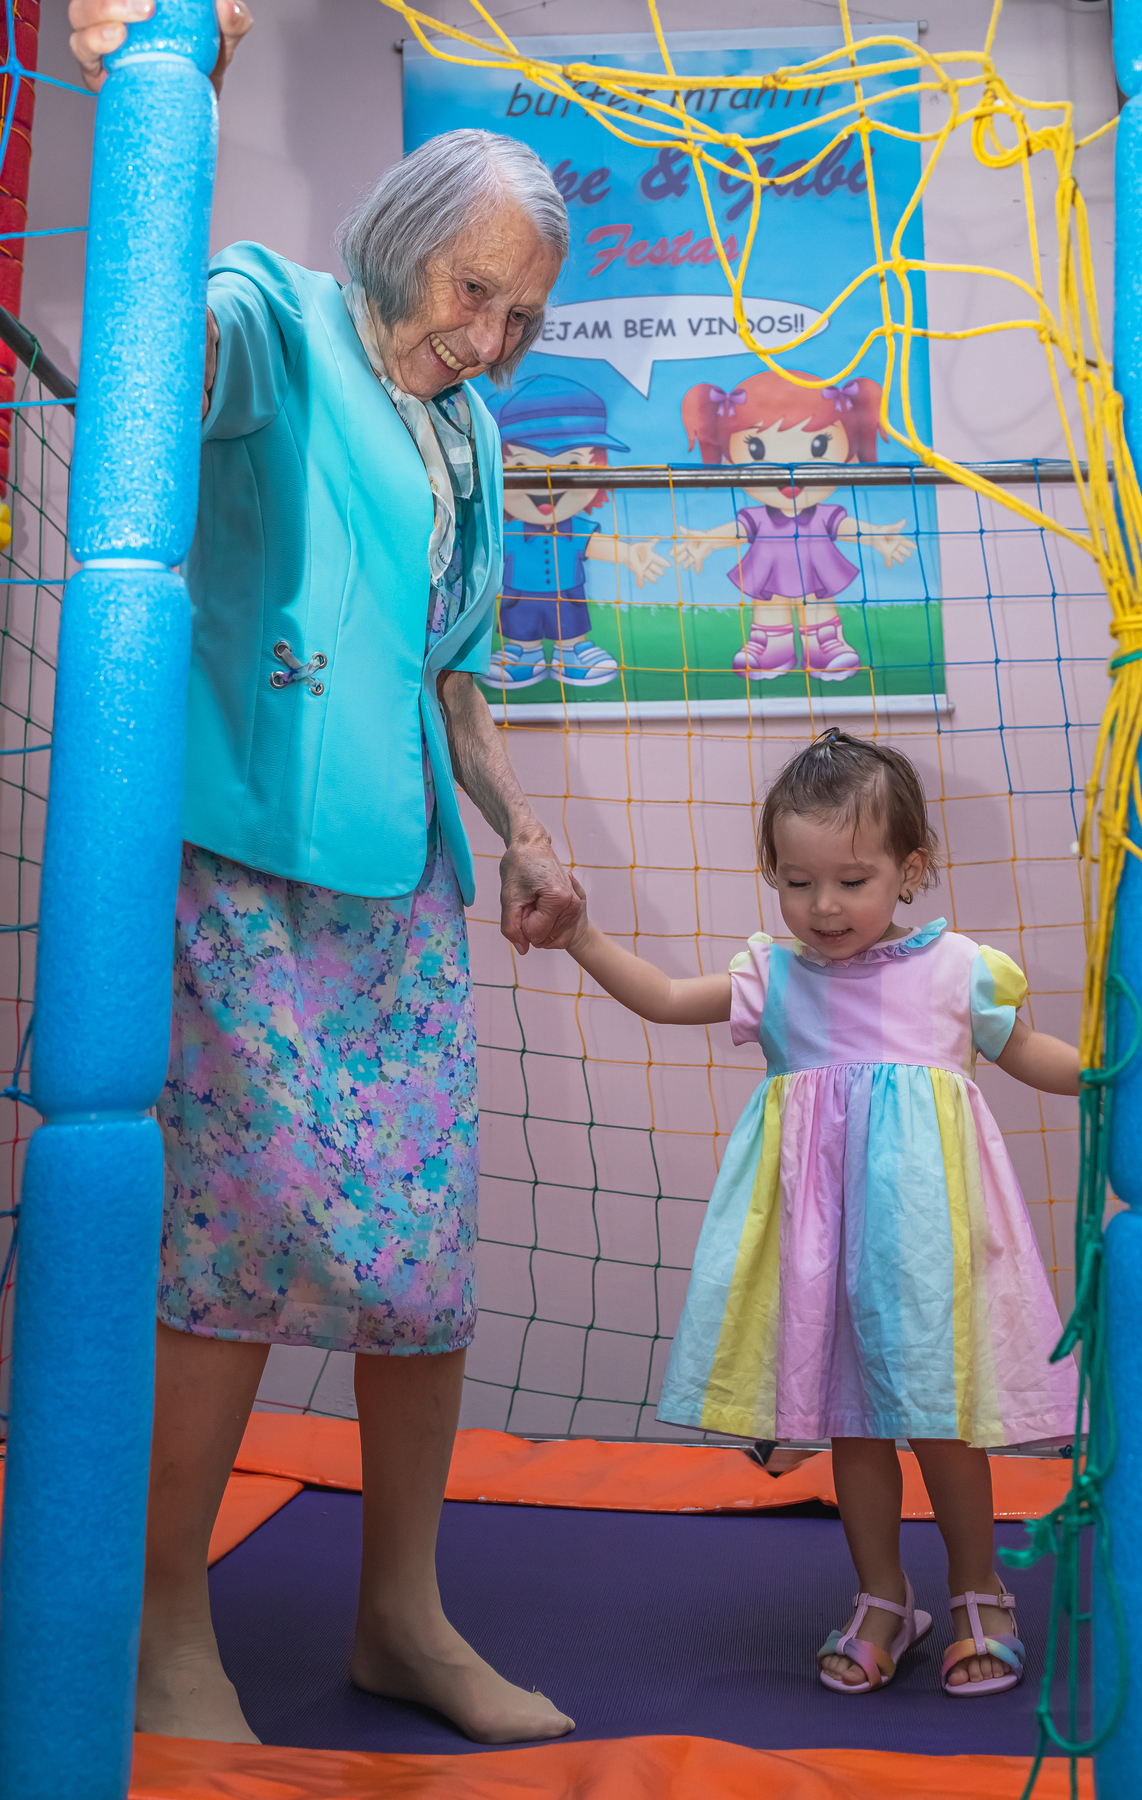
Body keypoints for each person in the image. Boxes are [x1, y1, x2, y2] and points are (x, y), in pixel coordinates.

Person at [70, 0, 580, 1748]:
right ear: (400, 237)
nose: (491, 339)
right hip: (246, 865)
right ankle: (166, 1620)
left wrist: (521, 831)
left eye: (522, 317)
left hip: (404, 879)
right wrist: (169, 115)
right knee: (239, 1230)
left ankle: (400, 1617)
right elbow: (160, 362)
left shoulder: (474, 433)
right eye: (474, 292)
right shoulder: (273, 318)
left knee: (422, 1258)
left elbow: (453, 675)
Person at [560, 728, 1080, 1696]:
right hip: (821, 1252)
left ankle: (978, 1589)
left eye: (851, 879)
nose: (824, 906)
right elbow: (666, 999)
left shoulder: (958, 969)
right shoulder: (777, 976)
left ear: (910, 870)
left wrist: (1108, 1074)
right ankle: (884, 1595)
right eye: (798, 882)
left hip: (926, 1250)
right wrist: (582, 937)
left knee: (946, 1426)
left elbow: (1029, 1055)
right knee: (853, 1427)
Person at [675, 372, 915, 682]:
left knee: (817, 601)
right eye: (757, 450)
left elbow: (845, 526)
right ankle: (771, 645)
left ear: (850, 455)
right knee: (769, 604)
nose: (789, 469)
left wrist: (876, 536)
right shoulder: (759, 518)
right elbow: (739, 530)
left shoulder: (822, 516)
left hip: (816, 567)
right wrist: (708, 540)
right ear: (730, 460)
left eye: (819, 445)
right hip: (769, 569)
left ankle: (825, 644)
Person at [483, 373, 670, 690]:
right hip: (519, 593)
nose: (547, 484)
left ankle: (571, 652)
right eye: (524, 467)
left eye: (570, 466)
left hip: (567, 591)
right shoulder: (508, 531)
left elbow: (592, 544)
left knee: (569, 620)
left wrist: (628, 553)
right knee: (519, 622)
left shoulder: (575, 529)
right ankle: (523, 654)